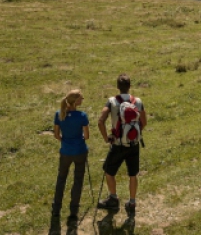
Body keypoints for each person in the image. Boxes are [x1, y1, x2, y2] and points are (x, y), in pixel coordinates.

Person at [97, 73, 147, 215]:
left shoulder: (112, 101)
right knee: (133, 174)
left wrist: (107, 138)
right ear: (129, 86)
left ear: (118, 87)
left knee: (108, 171)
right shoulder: (137, 101)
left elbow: (101, 121)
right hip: (134, 144)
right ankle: (132, 203)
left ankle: (113, 199)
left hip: (118, 144)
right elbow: (144, 122)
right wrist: (134, 134)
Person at [52, 89, 90, 225]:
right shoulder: (82, 116)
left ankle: (56, 208)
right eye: (81, 98)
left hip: (66, 151)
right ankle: (73, 211)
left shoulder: (59, 114)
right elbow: (86, 136)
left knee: (61, 178)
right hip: (80, 151)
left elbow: (56, 135)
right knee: (78, 180)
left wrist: (64, 140)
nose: (82, 100)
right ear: (75, 102)